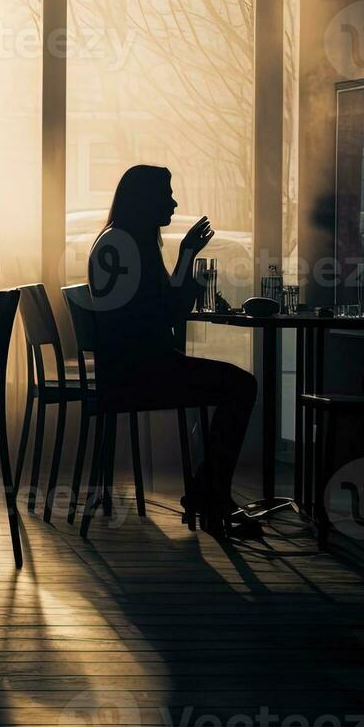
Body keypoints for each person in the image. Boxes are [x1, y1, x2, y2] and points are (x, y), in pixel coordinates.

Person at [89, 164, 256, 535]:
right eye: (166, 194)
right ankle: (209, 490)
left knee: (232, 384)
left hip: (124, 369)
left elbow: (164, 308)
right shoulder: (133, 245)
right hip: (145, 372)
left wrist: (184, 258)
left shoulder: (117, 240)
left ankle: (207, 488)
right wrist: (186, 257)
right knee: (241, 385)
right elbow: (171, 312)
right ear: (146, 201)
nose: (174, 202)